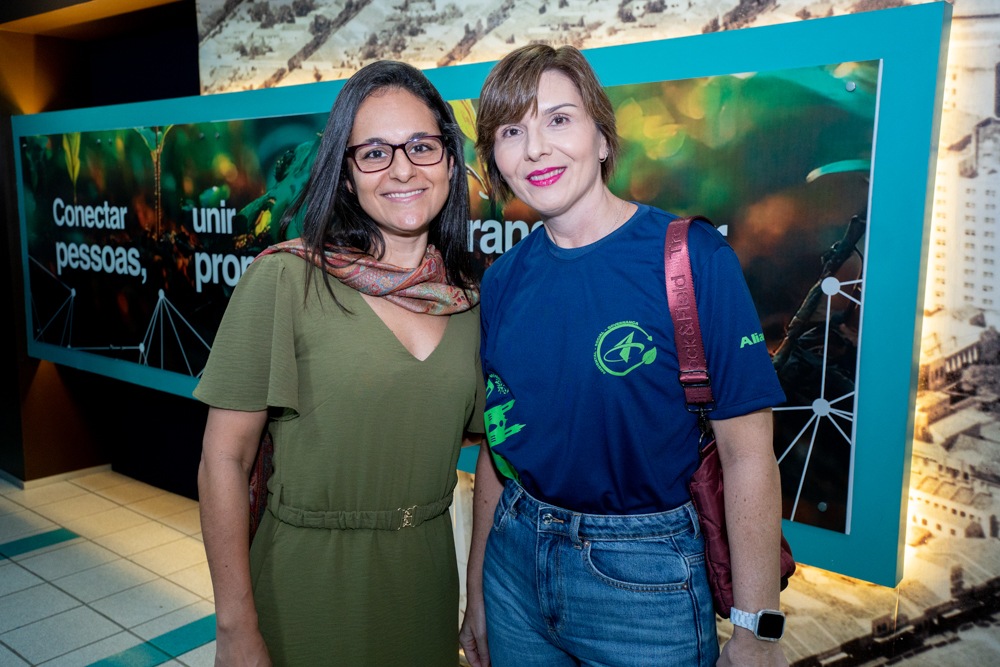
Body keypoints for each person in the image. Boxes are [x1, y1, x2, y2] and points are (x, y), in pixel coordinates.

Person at [458, 44, 789, 667]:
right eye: (512, 130)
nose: (536, 149)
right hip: (514, 567)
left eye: (559, 119)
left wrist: (755, 631)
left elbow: (747, 456)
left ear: (603, 138)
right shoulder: (502, 280)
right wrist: (478, 587)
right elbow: (497, 447)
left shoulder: (692, 258)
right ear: (496, 161)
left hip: (646, 580)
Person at [195, 60, 485, 666]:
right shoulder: (286, 280)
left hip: (425, 581)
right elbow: (225, 459)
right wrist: (234, 626)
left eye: (422, 147)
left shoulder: (469, 300)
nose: (403, 168)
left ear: (450, 163)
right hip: (307, 583)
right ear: (347, 175)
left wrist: (477, 592)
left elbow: (494, 453)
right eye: (374, 152)